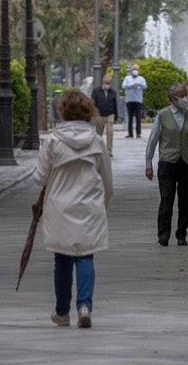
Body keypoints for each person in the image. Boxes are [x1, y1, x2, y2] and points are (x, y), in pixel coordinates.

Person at [34, 90, 114, 328]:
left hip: (60, 206)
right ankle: (84, 306)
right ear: (88, 111)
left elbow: (39, 178)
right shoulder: (97, 141)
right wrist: (105, 205)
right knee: (86, 255)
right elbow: (107, 180)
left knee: (63, 258)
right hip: (89, 205)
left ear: (63, 111)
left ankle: (61, 312)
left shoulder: (52, 141)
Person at [144, 82, 188, 246]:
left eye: (186, 94)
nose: (185, 98)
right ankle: (163, 234)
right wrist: (148, 163)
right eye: (182, 95)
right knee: (167, 199)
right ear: (173, 98)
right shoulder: (162, 115)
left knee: (186, 200)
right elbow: (152, 140)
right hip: (168, 163)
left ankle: (181, 233)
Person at [91, 72, 119, 153]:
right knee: (98, 133)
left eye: (109, 83)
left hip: (110, 114)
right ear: (103, 82)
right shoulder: (96, 91)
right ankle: (97, 149)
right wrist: (93, 115)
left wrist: (116, 117)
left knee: (110, 131)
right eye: (106, 83)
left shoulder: (113, 92)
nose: (108, 85)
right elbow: (93, 103)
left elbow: (115, 104)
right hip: (99, 115)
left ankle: (109, 150)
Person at [121, 64, 148, 138]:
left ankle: (138, 133)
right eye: (134, 69)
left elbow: (145, 86)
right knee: (130, 117)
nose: (135, 71)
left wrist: (139, 84)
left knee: (138, 117)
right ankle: (130, 133)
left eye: (137, 69)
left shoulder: (141, 79)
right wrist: (132, 85)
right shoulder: (127, 78)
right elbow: (124, 86)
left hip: (138, 100)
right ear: (131, 70)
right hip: (129, 100)